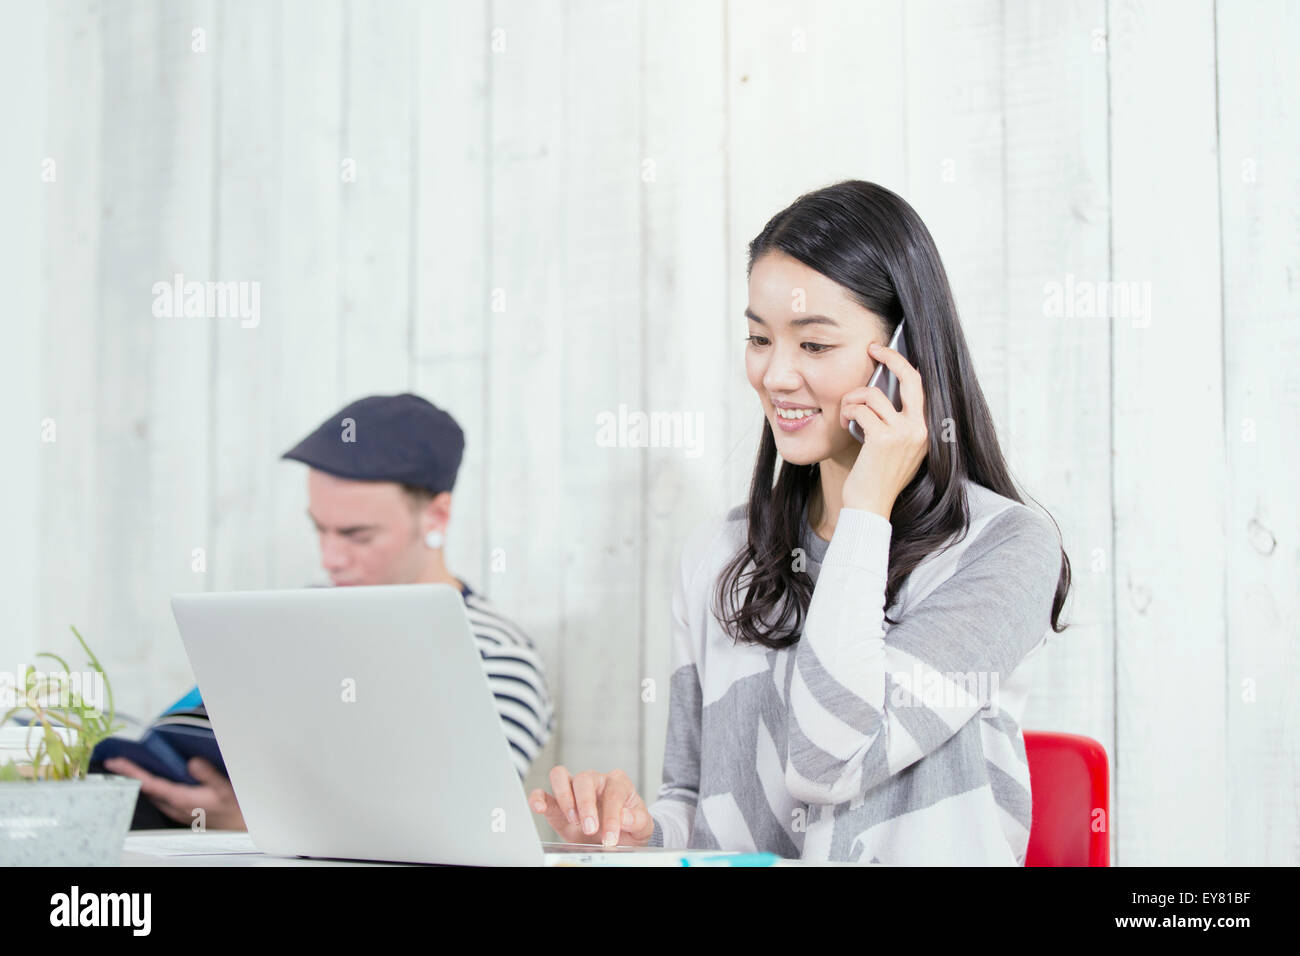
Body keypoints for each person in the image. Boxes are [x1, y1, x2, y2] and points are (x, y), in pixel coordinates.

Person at [528, 180, 1071, 864]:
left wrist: (868, 504)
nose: (776, 375)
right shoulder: (718, 558)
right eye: (759, 338)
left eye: (814, 346)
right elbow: (696, 803)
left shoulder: (1004, 549)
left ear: (903, 353)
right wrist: (631, 839)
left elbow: (826, 761)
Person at [108, 393, 554, 831]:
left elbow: (473, 830)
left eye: (357, 535)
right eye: (319, 528)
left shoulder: (496, 655)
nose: (331, 558)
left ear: (436, 516)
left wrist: (249, 822)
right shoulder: (295, 618)